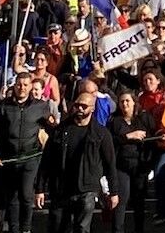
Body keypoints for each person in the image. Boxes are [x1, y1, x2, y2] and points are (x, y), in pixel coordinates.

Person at [35, 92, 120, 233]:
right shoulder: (60, 131)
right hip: (61, 188)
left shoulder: (101, 133)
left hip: (87, 189)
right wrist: (40, 189)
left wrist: (114, 191)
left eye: (84, 106)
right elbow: (46, 161)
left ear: (92, 108)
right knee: (57, 227)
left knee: (82, 228)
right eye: (77, 105)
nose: (80, 109)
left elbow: (110, 164)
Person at [0, 72, 51, 233]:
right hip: (9, 158)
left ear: (30, 86)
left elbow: (51, 127)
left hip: (30, 157)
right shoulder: (3, 106)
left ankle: (26, 228)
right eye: (19, 85)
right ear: (14, 85)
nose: (21, 88)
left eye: (25, 85)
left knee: (25, 194)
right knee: (12, 197)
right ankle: (14, 229)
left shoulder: (40, 106)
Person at [108, 90, 157, 233]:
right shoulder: (114, 121)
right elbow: (110, 141)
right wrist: (128, 136)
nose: (124, 104)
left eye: (127, 101)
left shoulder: (143, 118)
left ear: (134, 103)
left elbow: (152, 138)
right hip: (121, 165)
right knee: (121, 200)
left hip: (140, 165)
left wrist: (149, 163)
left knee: (139, 202)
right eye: (122, 101)